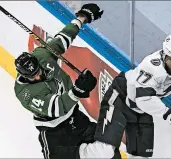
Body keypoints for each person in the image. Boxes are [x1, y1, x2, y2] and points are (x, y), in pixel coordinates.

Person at [14, 3, 121, 159]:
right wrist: (78, 90)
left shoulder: (42, 56)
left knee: (110, 151)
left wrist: (81, 18)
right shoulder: (25, 93)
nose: (38, 76)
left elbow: (62, 39)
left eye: (38, 71)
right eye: (33, 77)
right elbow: (57, 107)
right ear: (24, 76)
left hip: (75, 118)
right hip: (54, 132)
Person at [94, 35, 171, 158]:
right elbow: (143, 99)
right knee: (105, 150)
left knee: (142, 156)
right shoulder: (152, 66)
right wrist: (170, 114)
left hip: (142, 111)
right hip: (120, 100)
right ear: (164, 55)